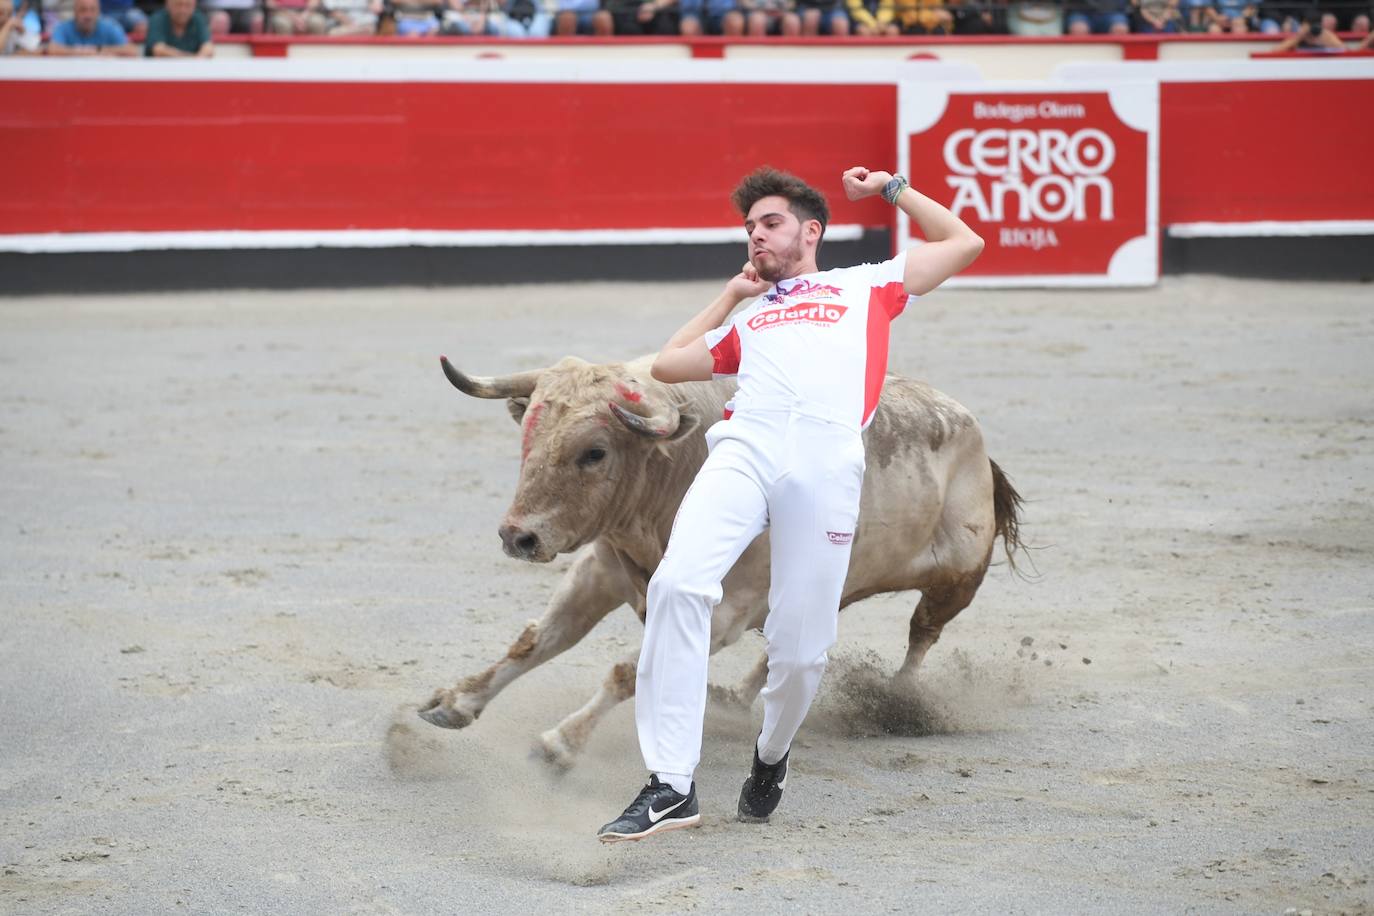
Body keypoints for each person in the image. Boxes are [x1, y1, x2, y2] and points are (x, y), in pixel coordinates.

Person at [595, 165, 984, 843]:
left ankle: (770, 756)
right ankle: (671, 784)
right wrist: (729, 296)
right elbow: (670, 364)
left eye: (768, 224)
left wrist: (891, 189)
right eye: (748, 229)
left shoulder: (867, 284)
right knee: (680, 586)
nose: (755, 237)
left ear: (811, 231)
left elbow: (963, 241)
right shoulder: (754, 317)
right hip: (746, 444)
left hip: (826, 457)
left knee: (801, 652)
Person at [49, 0, 139, 53]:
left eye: (92, 10)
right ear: (75, 12)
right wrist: (90, 53)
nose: (88, 15)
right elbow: (52, 50)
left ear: (99, 12)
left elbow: (132, 50)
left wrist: (97, 49)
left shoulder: (109, 26)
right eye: (83, 10)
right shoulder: (63, 28)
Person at [146, 0, 214, 55]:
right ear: (167, 4)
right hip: (160, 70)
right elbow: (158, 50)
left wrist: (194, 61)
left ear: (194, 5)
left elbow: (208, 48)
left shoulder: (199, 18)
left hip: (192, 70)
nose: (183, 10)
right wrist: (192, 60)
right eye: (178, 4)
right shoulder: (158, 18)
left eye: (188, 5)